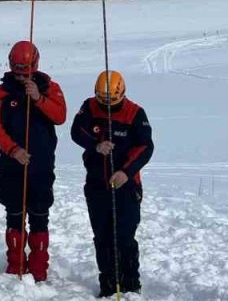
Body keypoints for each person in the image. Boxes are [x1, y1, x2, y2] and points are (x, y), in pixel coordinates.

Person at [0, 40, 66, 281]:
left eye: (26, 73)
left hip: (41, 165)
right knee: (14, 213)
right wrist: (13, 149)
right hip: (12, 163)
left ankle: (39, 268)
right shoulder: (1, 92)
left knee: (40, 215)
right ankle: (16, 265)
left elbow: (60, 116)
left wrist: (39, 98)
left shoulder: (50, 87)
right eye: (18, 73)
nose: (21, 78)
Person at [71, 71, 154, 297]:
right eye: (102, 100)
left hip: (126, 186)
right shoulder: (88, 107)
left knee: (124, 236)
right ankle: (108, 283)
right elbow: (76, 132)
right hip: (97, 184)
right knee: (103, 236)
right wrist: (96, 144)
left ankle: (130, 283)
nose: (106, 104)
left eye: (112, 101)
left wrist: (126, 172)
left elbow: (146, 147)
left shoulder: (135, 113)